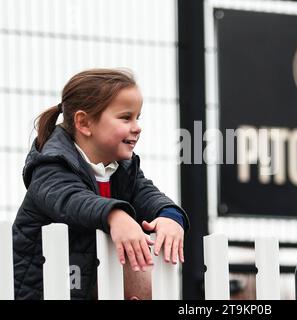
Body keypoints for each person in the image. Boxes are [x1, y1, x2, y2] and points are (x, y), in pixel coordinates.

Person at [12, 68, 189, 300]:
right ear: (84, 122)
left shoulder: (122, 169)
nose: (137, 127)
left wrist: (169, 216)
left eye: (138, 117)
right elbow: (70, 199)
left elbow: (147, 194)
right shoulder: (50, 165)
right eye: (126, 117)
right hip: (43, 291)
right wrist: (116, 216)